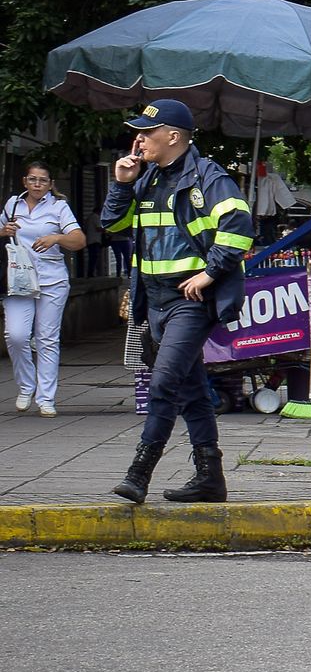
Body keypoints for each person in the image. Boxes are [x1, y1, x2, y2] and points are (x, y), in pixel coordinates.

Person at [101, 100, 252, 502]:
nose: (139, 139)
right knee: (191, 390)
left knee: (163, 383)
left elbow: (239, 226)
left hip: (190, 299)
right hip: (155, 300)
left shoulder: (208, 176)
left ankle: (139, 473)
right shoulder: (145, 177)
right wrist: (121, 183)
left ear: (173, 136)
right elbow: (111, 225)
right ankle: (210, 479)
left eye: (147, 133)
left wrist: (210, 272)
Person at [3, 162, 86, 415]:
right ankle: (26, 386)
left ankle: (46, 398)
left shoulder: (58, 207)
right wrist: (3, 230)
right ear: (24, 182)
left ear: (50, 184)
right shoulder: (13, 205)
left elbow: (79, 240)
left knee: (47, 339)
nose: (37, 184)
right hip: (19, 279)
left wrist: (57, 238)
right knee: (15, 336)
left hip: (51, 279)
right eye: (32, 179)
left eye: (42, 180)